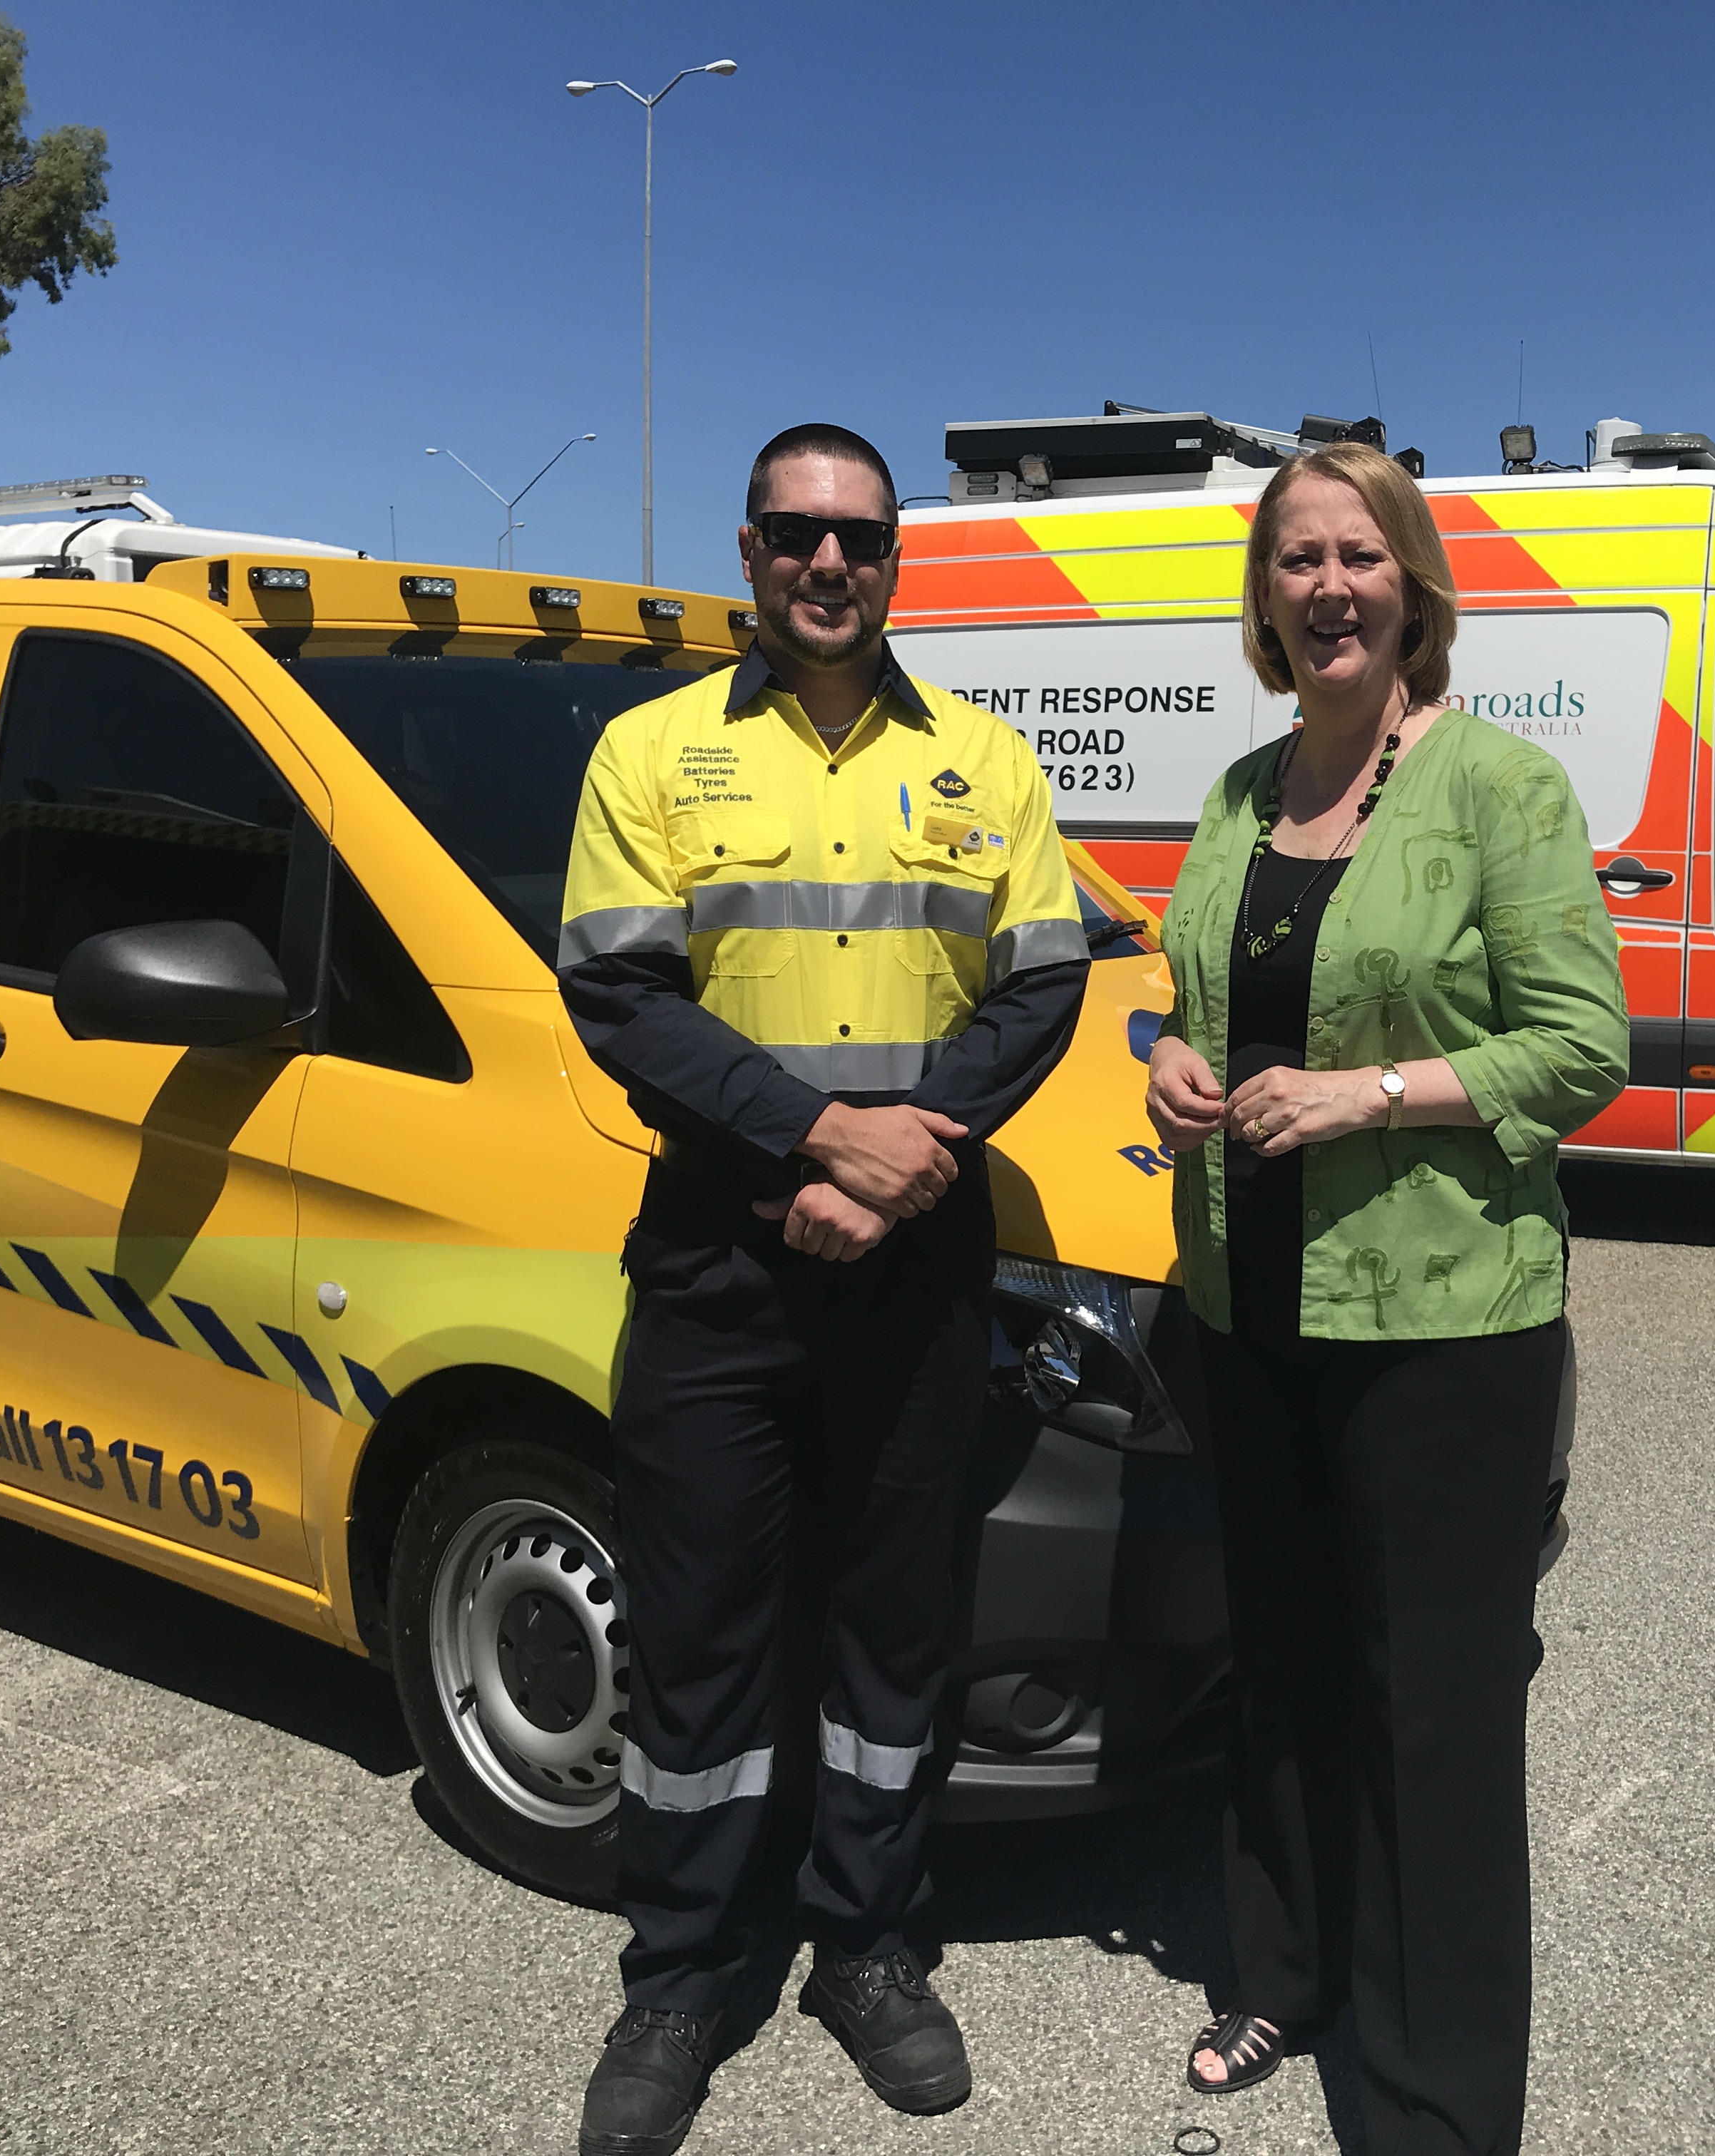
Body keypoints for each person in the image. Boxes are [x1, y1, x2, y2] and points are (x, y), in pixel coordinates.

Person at [559, 423, 1090, 2156]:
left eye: (860, 537)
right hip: (724, 1254)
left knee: (892, 1628)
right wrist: (813, 1142)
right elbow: (627, 1002)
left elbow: (1042, 991)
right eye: (797, 533)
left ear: (897, 560)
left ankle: (867, 1948)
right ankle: (687, 1973)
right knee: (702, 1635)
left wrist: (908, 1151)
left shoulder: (987, 763)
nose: (829, 564)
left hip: (917, 1260)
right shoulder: (651, 753)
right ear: (751, 550)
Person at [1143, 441, 1628, 2156]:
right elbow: (1190, 991)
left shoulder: (1500, 788)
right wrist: (1173, 1074)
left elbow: (1586, 1048)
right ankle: (1287, 1971)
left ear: (1413, 588)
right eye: (1296, 561)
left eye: (1358, 556)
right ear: (1265, 598)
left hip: (1445, 1328)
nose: (1327, 586)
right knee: (1280, 1663)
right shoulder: (1240, 789)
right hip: (1249, 1304)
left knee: (1431, 1707)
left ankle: (1434, 2098)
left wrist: (1372, 1095)